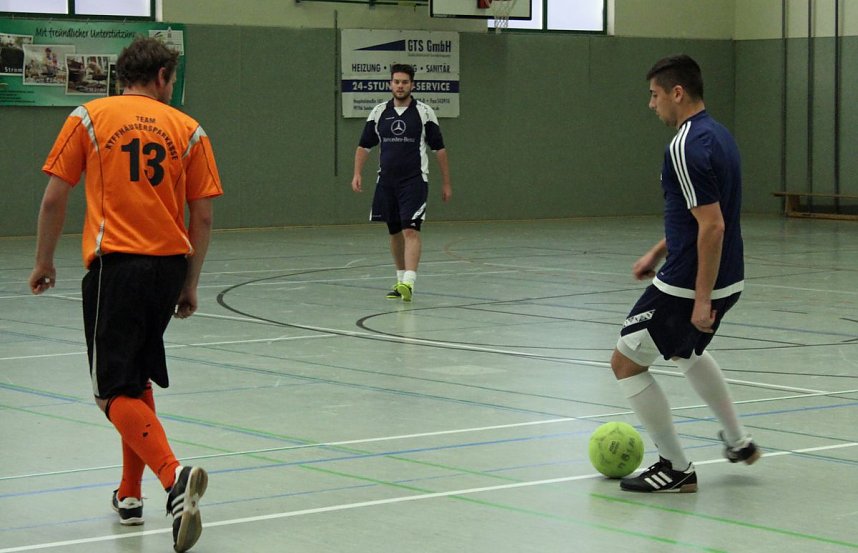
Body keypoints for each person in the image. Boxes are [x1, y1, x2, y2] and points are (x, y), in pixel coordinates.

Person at [28, 37, 223, 551]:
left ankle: (174, 478)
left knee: (109, 392)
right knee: (135, 380)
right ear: (161, 76)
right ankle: (129, 496)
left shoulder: (89, 117)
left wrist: (44, 261)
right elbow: (202, 216)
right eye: (172, 79)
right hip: (167, 270)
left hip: (117, 268)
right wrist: (190, 282)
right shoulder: (190, 130)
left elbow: (54, 198)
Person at [610, 54, 760, 493]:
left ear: (677, 93)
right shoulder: (719, 135)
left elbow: (712, 227)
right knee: (685, 351)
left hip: (689, 281)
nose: (651, 104)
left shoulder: (684, 145)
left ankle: (675, 468)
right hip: (728, 274)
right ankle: (738, 441)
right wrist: (658, 250)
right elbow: (699, 215)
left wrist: (700, 297)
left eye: (654, 95)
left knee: (626, 363)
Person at [351, 63, 452, 301]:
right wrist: (357, 173)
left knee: (410, 229)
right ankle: (399, 282)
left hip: (414, 181)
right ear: (390, 84)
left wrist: (446, 183)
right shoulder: (379, 112)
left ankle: (409, 281)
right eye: (396, 82)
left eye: (405, 82)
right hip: (386, 182)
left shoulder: (424, 112)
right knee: (395, 231)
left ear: (412, 85)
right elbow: (364, 146)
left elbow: (439, 149)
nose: (400, 86)